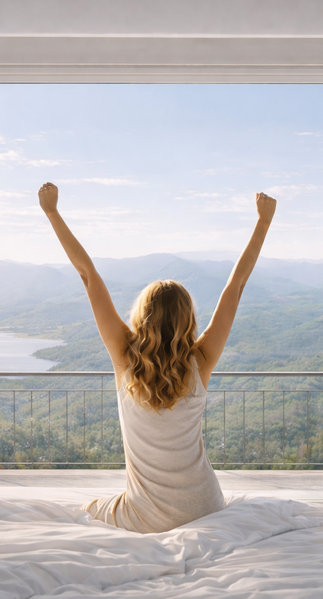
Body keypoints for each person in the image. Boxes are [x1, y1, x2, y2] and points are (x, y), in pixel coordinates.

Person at [38, 182, 277, 533]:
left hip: (146, 516)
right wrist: (263, 222)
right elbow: (236, 286)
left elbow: (88, 276)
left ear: (141, 316)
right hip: (207, 507)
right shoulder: (201, 361)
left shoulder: (124, 357)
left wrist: (52, 212)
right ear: (187, 320)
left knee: (84, 512)